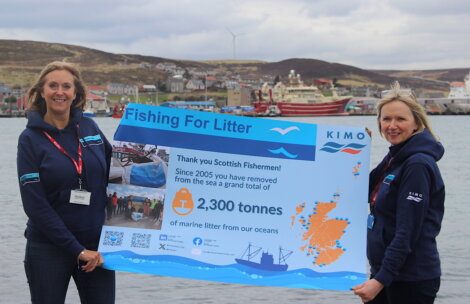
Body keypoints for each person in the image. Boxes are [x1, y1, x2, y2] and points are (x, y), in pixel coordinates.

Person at [17, 61, 115, 303]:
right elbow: (35, 205)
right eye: (53, 85)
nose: (59, 91)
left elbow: (117, 173)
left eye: (66, 86)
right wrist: (76, 250)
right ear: (42, 91)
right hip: (48, 248)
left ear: (75, 93)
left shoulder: (90, 127)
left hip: (95, 247)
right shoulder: (29, 139)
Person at [352, 82, 445, 303]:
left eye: (401, 119)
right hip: (387, 273)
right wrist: (356, 152)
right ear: (379, 123)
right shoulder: (394, 158)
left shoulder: (417, 165)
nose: (392, 125)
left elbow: (407, 231)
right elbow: (358, 193)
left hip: (410, 280)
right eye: (386, 119)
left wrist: (379, 281)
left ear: (416, 124)